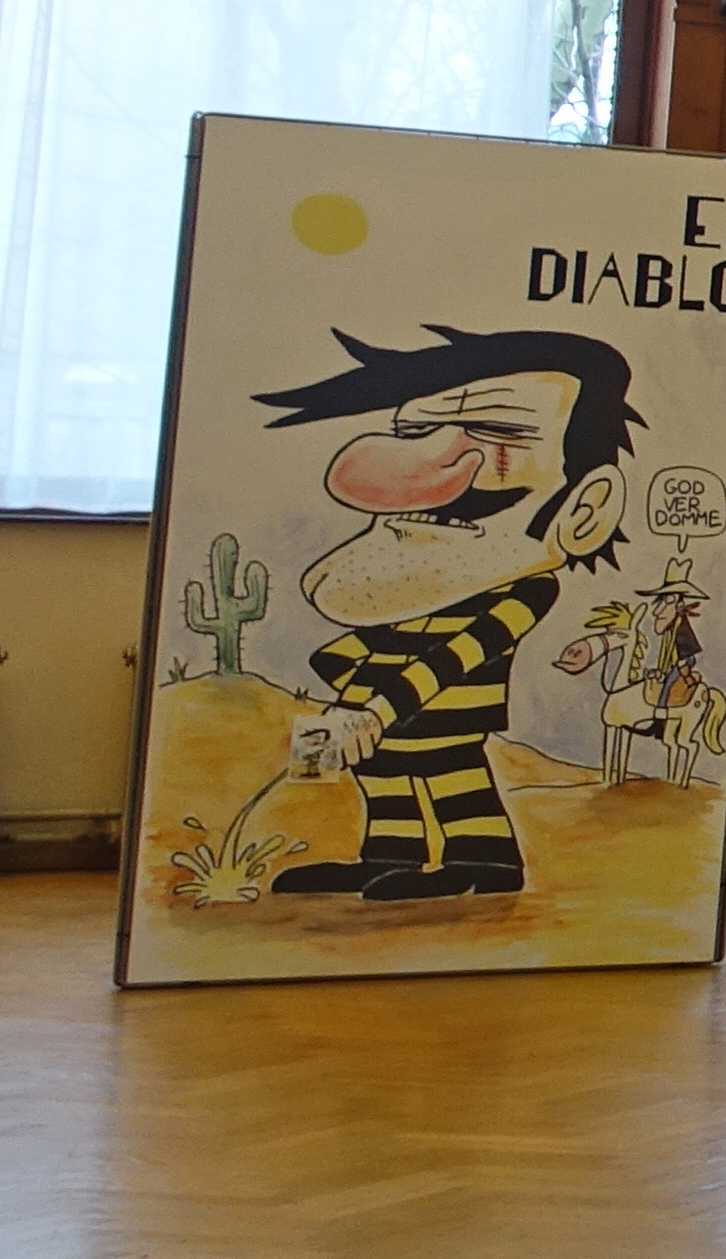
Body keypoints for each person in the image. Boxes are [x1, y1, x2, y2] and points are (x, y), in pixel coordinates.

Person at [247, 324, 642, 901]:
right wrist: (345, 693)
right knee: (382, 778)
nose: (431, 470)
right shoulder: (402, 589)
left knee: (453, 778)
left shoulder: (525, 592)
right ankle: (389, 856)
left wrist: (376, 710)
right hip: (379, 716)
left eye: (497, 435)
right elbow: (377, 646)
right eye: (413, 433)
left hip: (447, 720)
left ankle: (484, 860)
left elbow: (452, 659)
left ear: (584, 511)